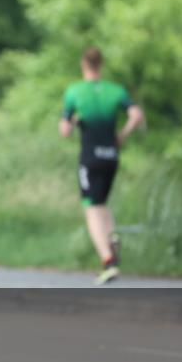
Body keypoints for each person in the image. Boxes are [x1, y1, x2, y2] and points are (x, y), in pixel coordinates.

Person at [59, 46, 145, 285]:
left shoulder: (75, 91)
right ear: (101, 65)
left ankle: (108, 260)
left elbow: (64, 131)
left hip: (90, 157)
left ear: (83, 65)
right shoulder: (115, 91)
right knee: (102, 203)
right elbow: (136, 114)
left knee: (91, 207)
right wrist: (122, 135)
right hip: (111, 156)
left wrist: (74, 121)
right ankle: (112, 234)